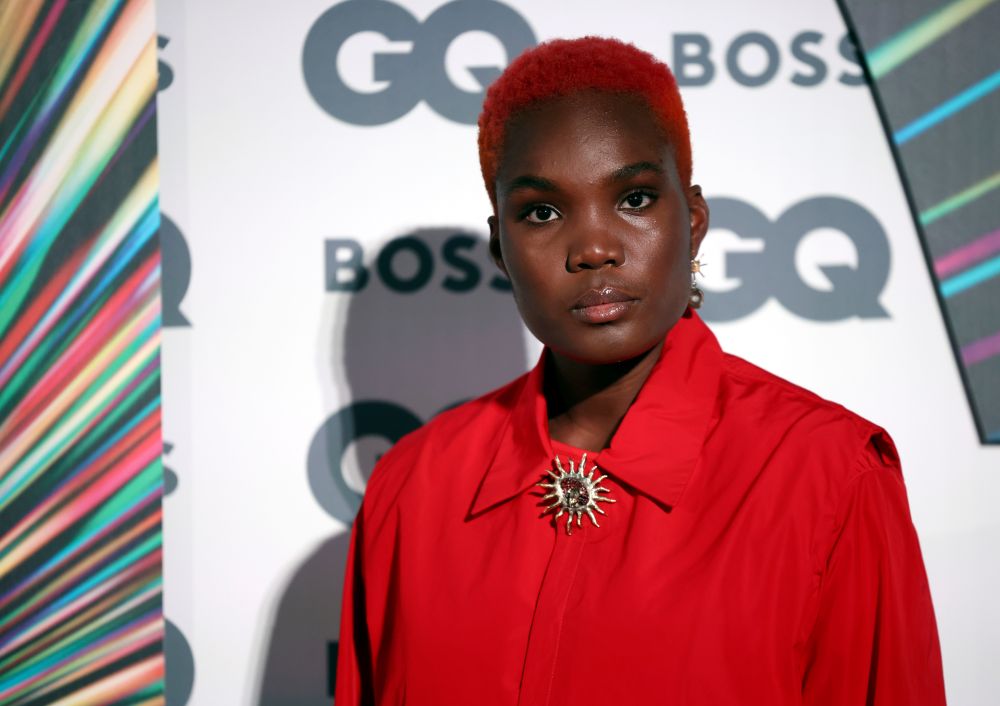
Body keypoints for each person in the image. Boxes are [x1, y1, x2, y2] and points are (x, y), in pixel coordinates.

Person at [334, 37, 946, 705]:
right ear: (501, 248)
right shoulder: (411, 490)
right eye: (542, 212)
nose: (594, 248)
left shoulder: (829, 475)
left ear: (695, 220)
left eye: (634, 198)